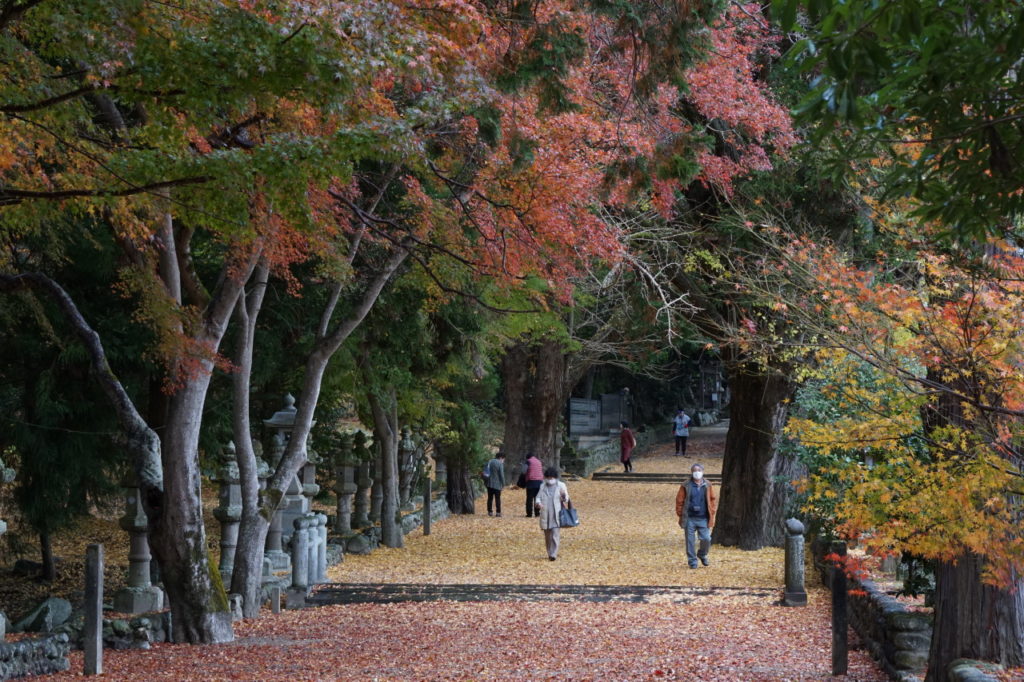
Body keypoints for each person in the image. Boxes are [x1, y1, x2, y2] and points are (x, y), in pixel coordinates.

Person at [675, 462, 717, 568]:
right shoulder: (686, 485)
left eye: (699, 470)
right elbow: (679, 500)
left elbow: (712, 499)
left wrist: (712, 511)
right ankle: (692, 561)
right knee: (690, 541)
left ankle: (702, 554)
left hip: (703, 518)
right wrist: (681, 514)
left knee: (706, 539)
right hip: (689, 518)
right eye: (694, 471)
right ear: (691, 472)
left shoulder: (708, 484)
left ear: (702, 472)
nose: (697, 472)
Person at [534, 466, 569, 561]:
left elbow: (566, 499)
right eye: (548, 477)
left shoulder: (561, 485)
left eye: (552, 477)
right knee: (548, 536)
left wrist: (563, 495)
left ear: (555, 477)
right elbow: (538, 497)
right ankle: (549, 552)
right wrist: (538, 503)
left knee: (555, 534)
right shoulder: (542, 486)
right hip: (545, 513)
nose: (550, 479)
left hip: (556, 514)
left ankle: (554, 554)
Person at [484, 452, 506, 517]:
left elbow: (485, 472)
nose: (503, 461)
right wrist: (503, 484)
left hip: (489, 483)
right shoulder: (500, 464)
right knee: (497, 499)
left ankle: (490, 512)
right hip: (497, 485)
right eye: (503, 459)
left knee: (490, 498)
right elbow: (501, 475)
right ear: (501, 458)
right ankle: (498, 512)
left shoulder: (489, 462)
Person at [523, 452, 544, 517]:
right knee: (537, 498)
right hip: (539, 482)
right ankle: (537, 513)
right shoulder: (539, 461)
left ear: (527, 457)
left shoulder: (528, 461)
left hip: (531, 482)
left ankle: (529, 514)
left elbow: (523, 471)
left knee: (529, 498)